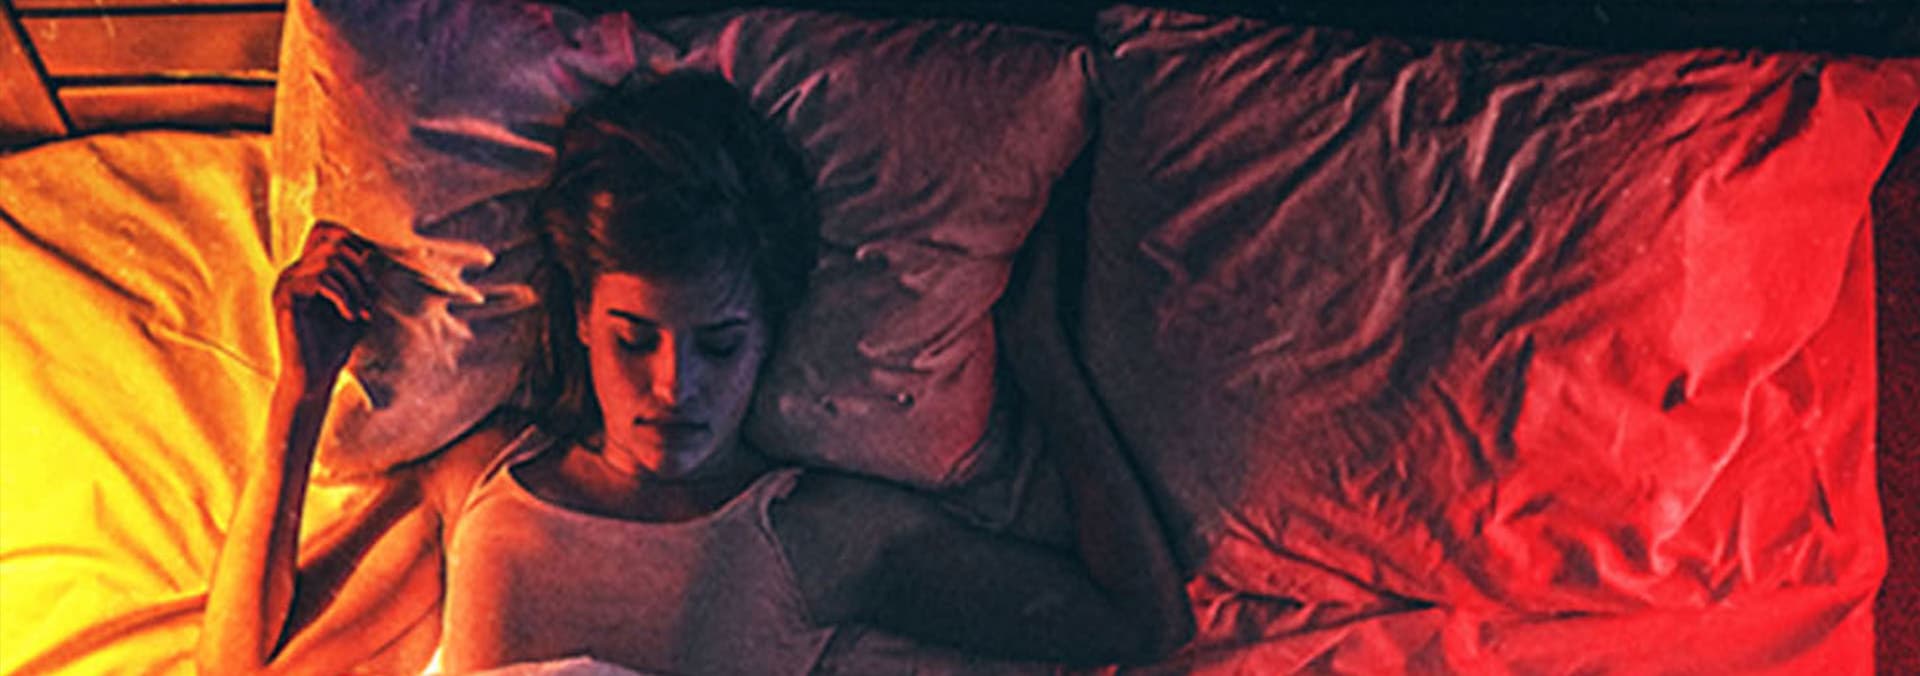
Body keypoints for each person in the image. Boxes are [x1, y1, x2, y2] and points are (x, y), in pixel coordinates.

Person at [197, 72, 1192, 675]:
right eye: (635, 339)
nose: (676, 388)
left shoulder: (809, 531)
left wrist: (1044, 364)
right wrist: (300, 397)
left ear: (769, 335)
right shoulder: (484, 483)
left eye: (719, 345)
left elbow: (1138, 622)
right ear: (581, 320)